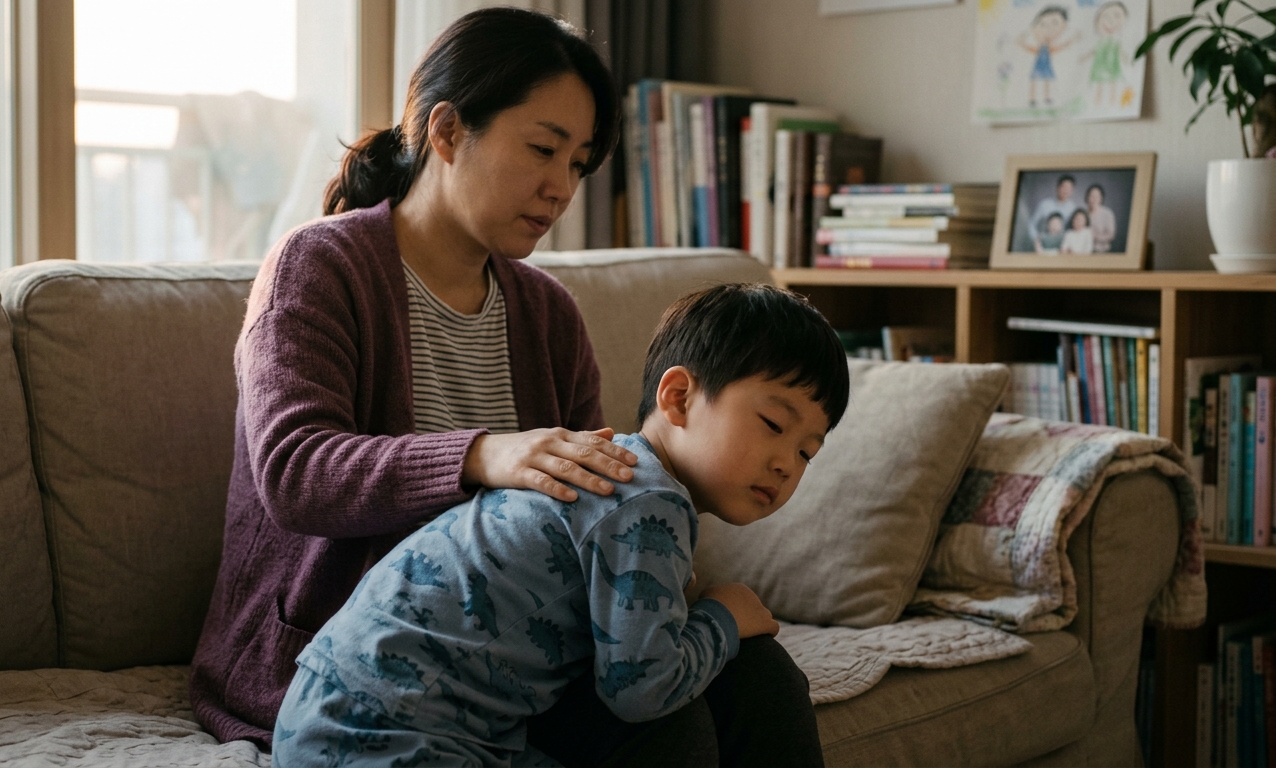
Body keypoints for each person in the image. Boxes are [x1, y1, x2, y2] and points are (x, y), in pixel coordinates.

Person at [190, 7, 827, 764]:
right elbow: (294, 474)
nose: (561, 188)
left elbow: (603, 495)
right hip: (361, 672)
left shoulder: (548, 312)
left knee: (763, 677)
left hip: (522, 658)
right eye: (542, 149)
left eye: (579, 163)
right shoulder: (321, 267)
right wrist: (483, 455)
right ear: (448, 131)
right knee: (666, 729)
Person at [273, 283, 847, 767]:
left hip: (323, 717)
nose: (785, 463)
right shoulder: (647, 502)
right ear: (677, 397)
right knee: (728, 687)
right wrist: (725, 616)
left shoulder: (616, 476)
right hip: (384, 737)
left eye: (807, 453)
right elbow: (642, 689)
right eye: (774, 424)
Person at [1017, 5, 1081, 108]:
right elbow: (1030, 49)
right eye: (1042, 24)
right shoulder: (1040, 48)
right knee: (1034, 81)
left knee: (1046, 81)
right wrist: (1021, 42)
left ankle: (1046, 98)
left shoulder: (1049, 49)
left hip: (1046, 66)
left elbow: (1060, 47)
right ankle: (1032, 99)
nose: (1048, 30)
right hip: (1038, 66)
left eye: (1055, 24)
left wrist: (1073, 40)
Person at [1028, 174, 1079, 249]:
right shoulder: (1045, 204)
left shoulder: (1073, 208)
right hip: (1043, 245)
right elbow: (1031, 224)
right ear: (1058, 187)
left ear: (1072, 191)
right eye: (1064, 187)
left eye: (1069, 188)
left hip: (1063, 248)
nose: (1066, 190)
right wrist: (1036, 239)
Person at [1084, 183, 1117, 252]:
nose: (1094, 199)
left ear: (1101, 198)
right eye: (1091, 196)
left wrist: (1095, 237)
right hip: (1084, 251)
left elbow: (1111, 235)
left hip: (1102, 251)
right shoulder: (1083, 213)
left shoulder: (1107, 213)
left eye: (1097, 196)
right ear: (1087, 197)